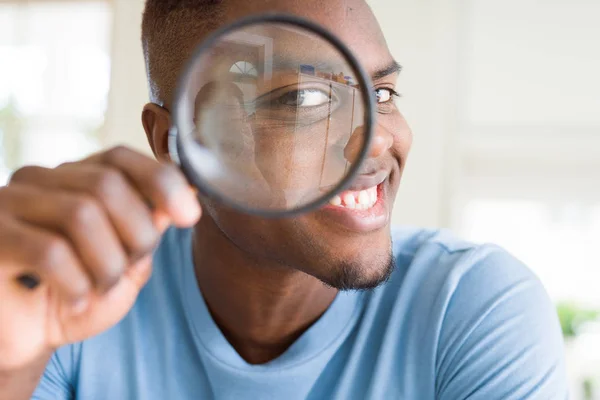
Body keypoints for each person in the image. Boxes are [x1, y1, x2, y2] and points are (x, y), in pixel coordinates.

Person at [0, 1, 568, 399]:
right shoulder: (76, 293)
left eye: (383, 93)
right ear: (175, 143)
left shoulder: (471, 307)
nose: (372, 139)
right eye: (303, 98)